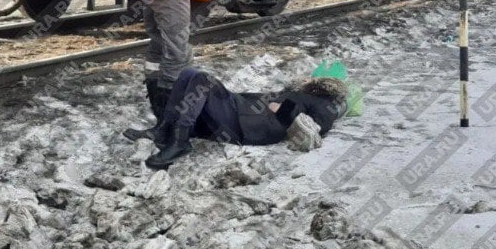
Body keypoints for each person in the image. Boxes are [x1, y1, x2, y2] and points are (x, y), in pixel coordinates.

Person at [125, 65, 350, 169]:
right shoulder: (299, 93)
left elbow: (315, 129)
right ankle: (165, 129)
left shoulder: (325, 104)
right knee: (188, 73)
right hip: (238, 110)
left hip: (247, 125)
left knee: (202, 78)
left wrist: (281, 109)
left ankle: (180, 140)